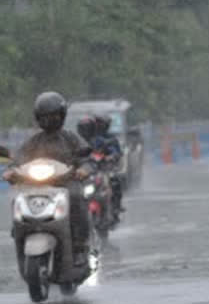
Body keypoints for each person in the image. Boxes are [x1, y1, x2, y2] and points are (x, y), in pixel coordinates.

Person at [2, 92, 92, 265]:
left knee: (77, 198)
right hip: (36, 185)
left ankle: (80, 247)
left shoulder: (70, 137)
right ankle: (20, 229)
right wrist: (11, 171)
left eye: (53, 116)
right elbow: (19, 159)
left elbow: (86, 158)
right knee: (17, 198)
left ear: (62, 116)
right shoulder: (33, 141)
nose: (49, 120)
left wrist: (83, 169)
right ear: (38, 118)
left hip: (66, 183)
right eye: (45, 117)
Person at [92, 114, 125, 217]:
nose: (100, 126)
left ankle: (116, 206)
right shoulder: (88, 138)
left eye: (102, 124)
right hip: (91, 169)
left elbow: (118, 153)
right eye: (98, 124)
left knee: (116, 182)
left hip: (106, 169)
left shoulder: (112, 139)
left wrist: (112, 157)